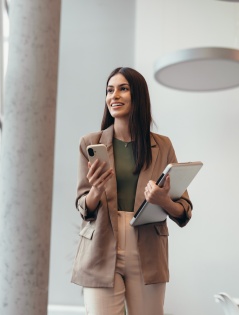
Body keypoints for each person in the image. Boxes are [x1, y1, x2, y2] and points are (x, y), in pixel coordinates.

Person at [72, 67, 193, 315]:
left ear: (138, 95)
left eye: (123, 88)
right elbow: (83, 206)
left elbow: (184, 211)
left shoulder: (162, 145)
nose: (114, 95)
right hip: (101, 247)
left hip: (147, 247)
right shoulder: (90, 143)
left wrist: (162, 200)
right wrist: (95, 190)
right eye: (109, 90)